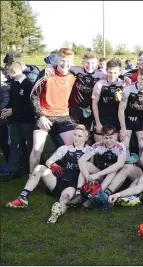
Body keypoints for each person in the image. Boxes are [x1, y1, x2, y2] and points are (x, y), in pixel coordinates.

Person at [6, 125, 90, 223]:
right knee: (39, 167)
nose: (75, 138)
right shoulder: (64, 148)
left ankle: (57, 212)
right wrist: (53, 165)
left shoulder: (90, 150)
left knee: (65, 198)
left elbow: (91, 168)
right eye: (74, 135)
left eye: (79, 136)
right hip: (57, 180)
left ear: (86, 138)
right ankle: (23, 198)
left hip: (72, 185)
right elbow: (49, 161)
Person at [29, 48, 77, 182]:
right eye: (62, 60)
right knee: (37, 149)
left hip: (63, 116)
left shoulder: (74, 75)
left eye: (68, 61)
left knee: (72, 148)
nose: (65, 64)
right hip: (45, 115)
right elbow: (34, 96)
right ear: (57, 60)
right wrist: (41, 116)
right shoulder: (47, 72)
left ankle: (67, 176)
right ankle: (32, 178)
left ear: (72, 61)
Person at [72, 125, 126, 209]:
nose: (108, 141)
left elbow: (120, 164)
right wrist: (88, 176)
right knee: (86, 165)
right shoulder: (97, 145)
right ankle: (78, 194)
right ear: (102, 137)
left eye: (111, 137)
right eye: (106, 138)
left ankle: (97, 194)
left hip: (113, 178)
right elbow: (81, 160)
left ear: (116, 136)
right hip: (101, 174)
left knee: (114, 169)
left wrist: (97, 175)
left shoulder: (120, 146)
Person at [0, 62, 34, 182]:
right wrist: (7, 108)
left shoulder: (28, 84)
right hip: (15, 121)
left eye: (8, 72)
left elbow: (29, 105)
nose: (7, 74)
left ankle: (33, 171)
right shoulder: (14, 84)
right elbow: (13, 100)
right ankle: (13, 171)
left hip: (27, 121)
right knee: (14, 145)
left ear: (14, 72)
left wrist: (12, 111)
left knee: (30, 146)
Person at [118, 68, 143, 159]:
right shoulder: (127, 90)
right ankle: (126, 166)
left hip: (140, 120)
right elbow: (121, 110)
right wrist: (123, 128)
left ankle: (140, 166)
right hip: (127, 119)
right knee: (124, 145)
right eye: (141, 79)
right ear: (138, 78)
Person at [91, 58, 125, 142]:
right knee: (99, 147)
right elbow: (94, 105)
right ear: (106, 71)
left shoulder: (124, 84)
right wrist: (98, 123)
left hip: (117, 120)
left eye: (115, 73)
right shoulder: (99, 84)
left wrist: (122, 126)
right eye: (110, 72)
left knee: (115, 147)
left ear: (120, 72)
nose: (112, 75)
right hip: (102, 119)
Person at [0, 67, 10, 176]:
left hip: (3, 119)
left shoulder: (4, 86)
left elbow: (6, 101)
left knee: (4, 143)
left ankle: (8, 163)